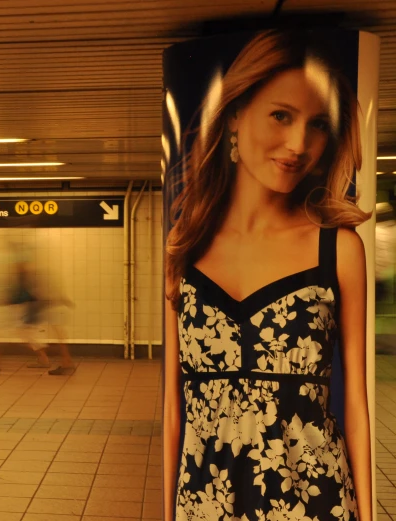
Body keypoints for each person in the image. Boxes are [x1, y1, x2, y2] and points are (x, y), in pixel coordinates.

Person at [162, 30, 372, 521]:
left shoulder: (337, 249)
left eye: (318, 124)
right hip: (205, 503)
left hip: (313, 503)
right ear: (234, 112)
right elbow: (174, 410)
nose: (299, 144)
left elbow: (356, 405)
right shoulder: (183, 249)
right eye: (282, 115)